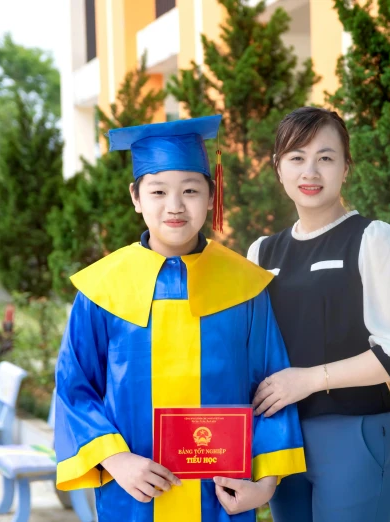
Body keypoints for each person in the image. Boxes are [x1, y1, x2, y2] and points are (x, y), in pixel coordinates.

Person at [54, 115, 306, 522]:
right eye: (158, 191)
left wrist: (265, 483)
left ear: (211, 196)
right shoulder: (102, 290)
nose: (174, 206)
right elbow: (74, 388)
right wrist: (116, 460)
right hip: (135, 492)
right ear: (136, 197)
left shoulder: (244, 286)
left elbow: (271, 389)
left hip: (223, 496)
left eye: (190, 190)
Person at [248, 107, 390, 522]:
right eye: (296, 158)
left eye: (325, 158)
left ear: (346, 167)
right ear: (278, 169)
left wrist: (309, 379)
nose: (310, 171)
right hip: (283, 438)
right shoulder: (262, 253)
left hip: (354, 432)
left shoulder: (373, 239)